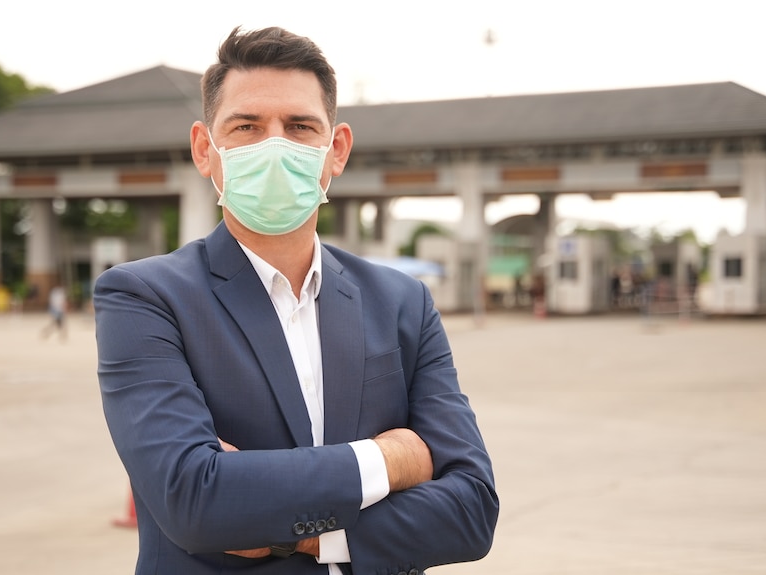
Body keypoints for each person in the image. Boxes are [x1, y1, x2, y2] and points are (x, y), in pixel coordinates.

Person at [94, 26, 498, 575]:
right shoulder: (145, 298)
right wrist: (390, 459)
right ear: (204, 150)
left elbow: (472, 511)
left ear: (337, 151)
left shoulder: (402, 303)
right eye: (247, 126)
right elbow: (195, 503)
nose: (275, 145)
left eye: (300, 126)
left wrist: (293, 532)